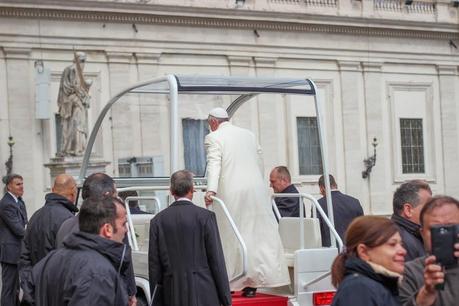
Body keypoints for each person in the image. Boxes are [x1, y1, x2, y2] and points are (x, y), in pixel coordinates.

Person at [204, 107, 289, 297]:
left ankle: (233, 282)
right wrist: (259, 185)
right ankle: (252, 284)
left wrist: (211, 190)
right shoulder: (249, 135)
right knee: (255, 237)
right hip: (256, 193)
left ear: (213, 122)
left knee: (230, 236)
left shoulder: (214, 137)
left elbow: (214, 164)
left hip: (232, 193)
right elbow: (259, 162)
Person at [23, 197, 130, 306]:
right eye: (123, 224)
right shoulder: (98, 273)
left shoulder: (48, 261)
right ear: (107, 229)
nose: (126, 230)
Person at [149, 170, 232, 306]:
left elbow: (154, 267)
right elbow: (217, 261)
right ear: (192, 190)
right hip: (205, 292)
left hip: (172, 293)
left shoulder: (157, 221)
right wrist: (225, 299)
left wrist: (157, 300)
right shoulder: (206, 217)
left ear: (171, 191)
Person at [55, 172, 136, 305]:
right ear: (107, 195)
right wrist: (130, 292)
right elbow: (123, 260)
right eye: (115, 194)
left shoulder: (65, 225)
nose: (117, 199)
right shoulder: (111, 225)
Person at [19, 174, 79, 297]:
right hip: (58, 294)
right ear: (73, 193)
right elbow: (72, 263)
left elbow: (24, 257)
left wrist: (29, 289)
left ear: (52, 190)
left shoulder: (35, 216)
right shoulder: (69, 220)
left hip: (36, 289)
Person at [331, 216, 406, 306]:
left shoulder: (379, 285)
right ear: (363, 252)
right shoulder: (358, 288)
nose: (403, 251)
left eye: (401, 244)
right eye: (392, 244)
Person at [399, 195, 459, 306]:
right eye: (436, 229)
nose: (443, 235)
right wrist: (426, 293)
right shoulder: (408, 272)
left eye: (450, 228)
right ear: (422, 234)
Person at [57, 51, 92, 156]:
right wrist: (84, 95)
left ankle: (77, 147)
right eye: (82, 61)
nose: (83, 64)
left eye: (84, 61)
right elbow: (74, 86)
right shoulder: (73, 69)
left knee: (77, 122)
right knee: (78, 123)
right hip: (73, 100)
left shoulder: (73, 70)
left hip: (73, 100)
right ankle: (76, 148)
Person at [0, 174, 28, 306]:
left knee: (16, 288)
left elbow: (25, 222)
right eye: (18, 184)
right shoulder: (6, 204)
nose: (22, 186)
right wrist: (32, 236)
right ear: (9, 187)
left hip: (17, 251)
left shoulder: (19, 201)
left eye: (22, 183)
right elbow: (18, 228)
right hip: (10, 253)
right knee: (9, 288)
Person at [317, 174, 363, 247]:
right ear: (336, 185)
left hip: (331, 250)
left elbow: (316, 230)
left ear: (322, 188)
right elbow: (362, 227)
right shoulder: (355, 201)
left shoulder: (319, 204)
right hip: (352, 248)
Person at [390, 180, 432, 262]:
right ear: (408, 210)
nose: (433, 211)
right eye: (428, 206)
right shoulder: (401, 240)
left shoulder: (414, 234)